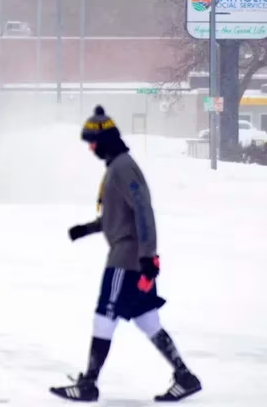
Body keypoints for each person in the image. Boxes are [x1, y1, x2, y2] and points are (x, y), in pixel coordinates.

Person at [50, 105, 202, 403]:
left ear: (105, 140)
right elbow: (117, 217)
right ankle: (186, 377)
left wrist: (148, 256)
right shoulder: (116, 168)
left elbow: (143, 210)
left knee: (103, 316)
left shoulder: (123, 168)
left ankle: (89, 384)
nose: (91, 148)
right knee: (148, 321)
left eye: (93, 142)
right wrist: (87, 229)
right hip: (132, 256)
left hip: (127, 259)